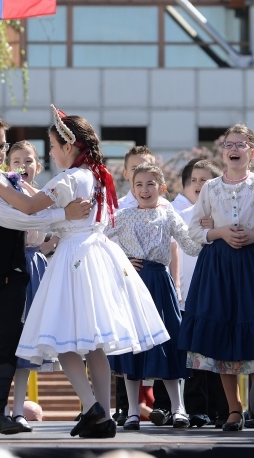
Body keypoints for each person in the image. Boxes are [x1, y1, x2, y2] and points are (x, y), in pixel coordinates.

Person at [0, 105, 168, 439]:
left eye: (54, 147)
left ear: (69, 147)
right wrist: (16, 183)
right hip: (98, 254)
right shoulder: (96, 175)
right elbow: (46, 201)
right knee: (94, 343)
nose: (52, 154)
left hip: (74, 256)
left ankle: (92, 406)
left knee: (64, 338)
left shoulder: (68, 178)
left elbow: (30, 208)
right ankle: (101, 413)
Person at [0, 112, 92, 436]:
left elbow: (32, 205)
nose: (0, 153)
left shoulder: (8, 180)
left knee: (10, 342)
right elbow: (15, 218)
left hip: (12, 274)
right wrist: (64, 213)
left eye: (2, 146)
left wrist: (59, 212)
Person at [178, 124, 254, 432]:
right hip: (217, 265)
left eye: (241, 144)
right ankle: (233, 409)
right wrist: (219, 232)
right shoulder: (211, 187)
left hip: (252, 263)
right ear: (223, 150)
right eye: (230, 143)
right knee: (223, 332)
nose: (235, 148)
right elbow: (192, 232)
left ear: (252, 152)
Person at [106, 163, 202, 431]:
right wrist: (121, 261)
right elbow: (97, 241)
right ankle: (133, 411)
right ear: (132, 188)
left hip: (160, 283)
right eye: (139, 184)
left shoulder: (169, 214)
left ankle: (178, 408)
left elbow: (190, 244)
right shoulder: (122, 216)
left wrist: (209, 230)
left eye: (150, 184)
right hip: (133, 284)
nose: (144, 190)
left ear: (161, 188)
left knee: (169, 342)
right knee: (132, 345)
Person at [0, 140, 59, 432]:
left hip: (34, 267)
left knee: (26, 343)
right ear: (8, 165)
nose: (23, 167)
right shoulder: (4, 191)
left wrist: (52, 244)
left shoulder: (44, 195)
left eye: (30, 161)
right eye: (17, 161)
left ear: (38, 165)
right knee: (1, 339)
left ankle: (19, 407)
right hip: (7, 266)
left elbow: (47, 236)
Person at [176, 160, 228, 429]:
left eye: (205, 180)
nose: (198, 185)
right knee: (195, 354)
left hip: (216, 290)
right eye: (194, 179)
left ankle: (223, 409)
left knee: (218, 352)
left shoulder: (225, 218)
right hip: (189, 294)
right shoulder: (182, 217)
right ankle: (195, 409)